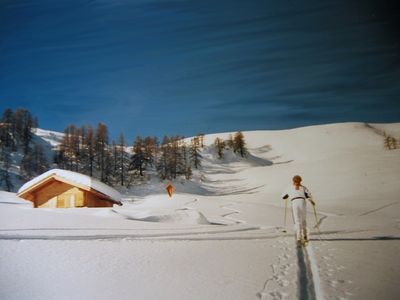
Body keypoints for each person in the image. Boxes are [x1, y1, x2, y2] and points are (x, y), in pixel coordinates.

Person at [282, 175, 315, 245]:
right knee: (301, 219)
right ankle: (301, 236)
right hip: (298, 202)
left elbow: (283, 196)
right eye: (296, 181)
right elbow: (308, 195)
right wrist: (311, 200)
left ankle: (301, 236)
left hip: (298, 202)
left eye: (298, 181)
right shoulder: (302, 187)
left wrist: (311, 200)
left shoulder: (292, 188)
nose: (297, 182)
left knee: (299, 219)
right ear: (294, 181)